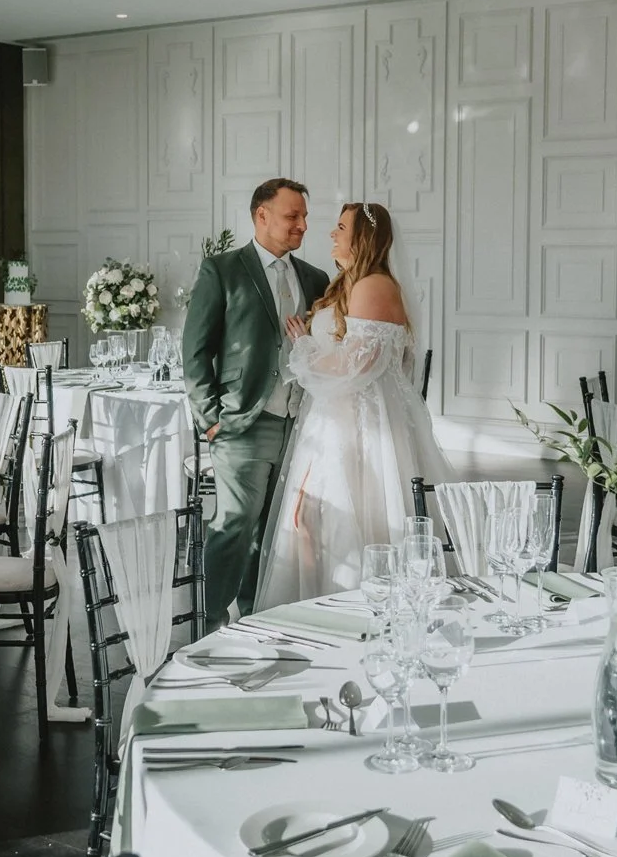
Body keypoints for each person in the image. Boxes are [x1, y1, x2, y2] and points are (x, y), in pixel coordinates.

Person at [255, 201, 450, 608]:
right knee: (311, 520)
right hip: (336, 420)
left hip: (358, 428)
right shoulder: (352, 284)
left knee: (335, 522)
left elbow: (357, 364)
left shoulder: (373, 285)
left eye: (341, 227)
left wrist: (304, 348)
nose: (331, 233)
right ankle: (318, 605)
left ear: (361, 238)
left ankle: (348, 608)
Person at [181, 178, 329, 630]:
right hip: (242, 420)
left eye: (304, 216)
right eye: (292, 216)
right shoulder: (222, 270)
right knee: (234, 524)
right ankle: (204, 628)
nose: (302, 225)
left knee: (271, 529)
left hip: (298, 423)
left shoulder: (315, 278)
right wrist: (210, 419)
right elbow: (194, 349)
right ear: (260, 215)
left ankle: (251, 624)